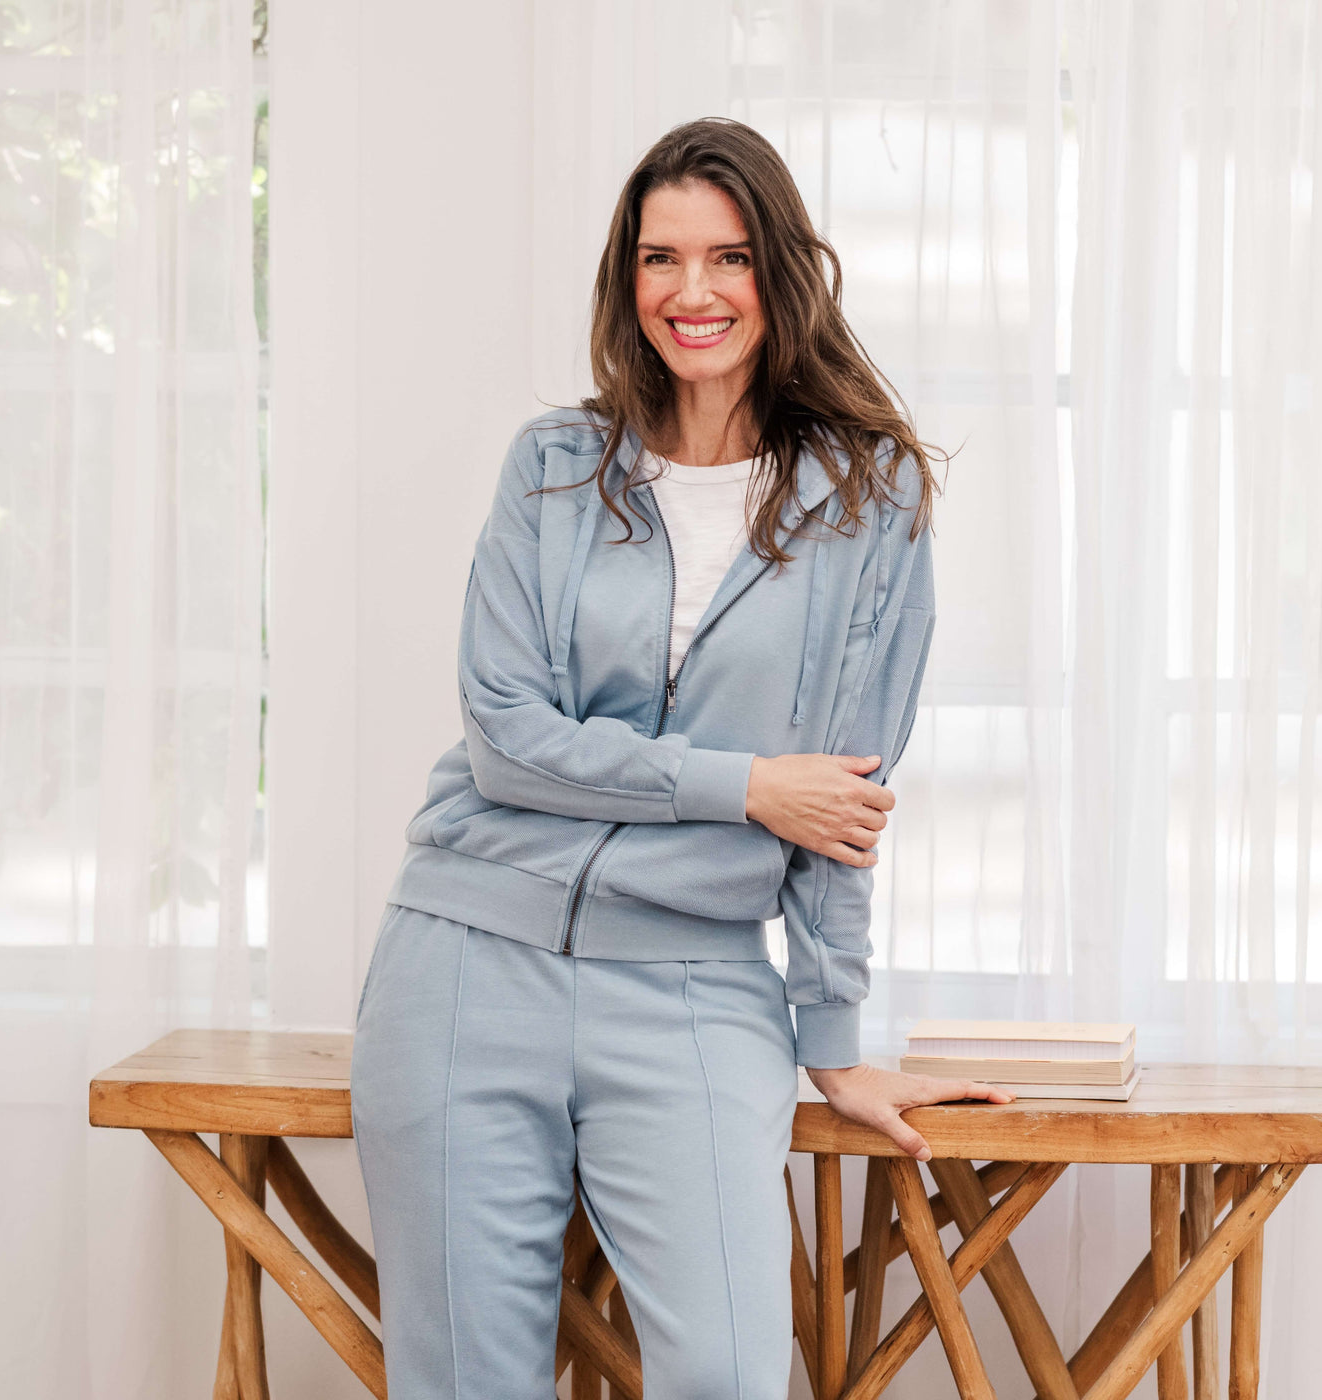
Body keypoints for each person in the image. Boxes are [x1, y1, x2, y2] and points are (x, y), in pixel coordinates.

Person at [350, 116, 1011, 1399]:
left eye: (728, 258)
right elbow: (504, 737)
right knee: (462, 1381)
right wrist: (742, 784)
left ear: (781, 272)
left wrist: (832, 1031)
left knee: (726, 1371)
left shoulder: (867, 501)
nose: (691, 293)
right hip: (463, 966)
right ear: (625, 275)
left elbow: (843, 796)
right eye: (660, 258)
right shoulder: (552, 469)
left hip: (694, 985)